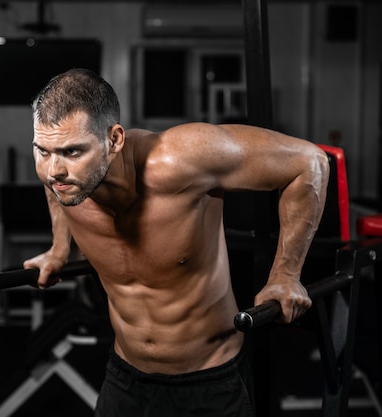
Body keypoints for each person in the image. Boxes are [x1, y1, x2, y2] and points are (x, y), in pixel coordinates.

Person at [23, 68, 329, 417]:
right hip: (124, 379)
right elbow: (55, 187)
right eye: (42, 151)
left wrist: (286, 274)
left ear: (114, 140)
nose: (52, 171)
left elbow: (309, 163)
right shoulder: (67, 179)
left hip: (210, 382)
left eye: (72, 152)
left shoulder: (182, 159)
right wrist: (59, 250)